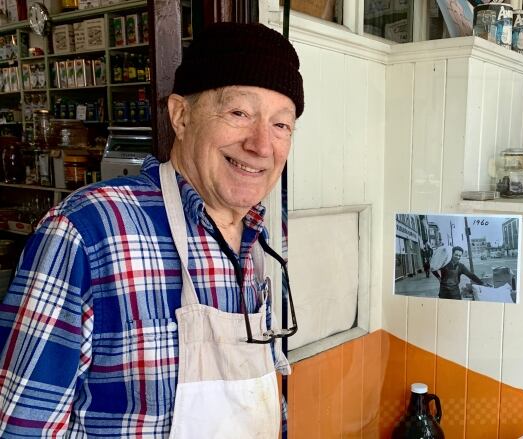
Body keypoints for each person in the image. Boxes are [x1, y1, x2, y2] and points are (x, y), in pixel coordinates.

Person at [0, 22, 303, 438]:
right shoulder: (87, 231)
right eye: (239, 113)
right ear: (181, 115)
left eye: (281, 125)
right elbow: (21, 426)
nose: (261, 145)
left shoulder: (258, 239)